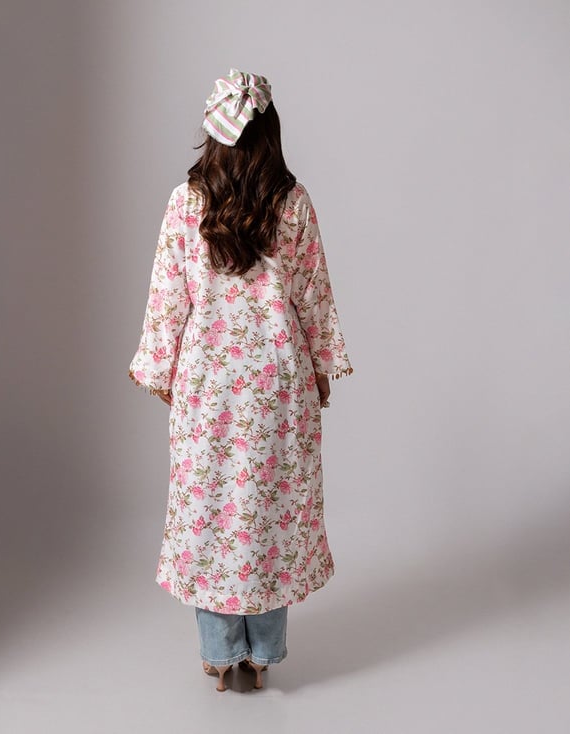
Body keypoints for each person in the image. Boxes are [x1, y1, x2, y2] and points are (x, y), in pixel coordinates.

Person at [128, 68, 353, 692]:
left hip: (209, 384)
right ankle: (264, 653)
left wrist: (162, 368)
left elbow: (167, 298)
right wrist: (322, 367)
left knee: (212, 510)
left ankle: (220, 653)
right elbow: (312, 294)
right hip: (277, 382)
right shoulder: (293, 202)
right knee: (270, 511)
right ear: (270, 133)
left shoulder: (186, 202)